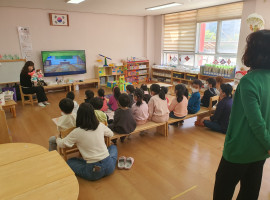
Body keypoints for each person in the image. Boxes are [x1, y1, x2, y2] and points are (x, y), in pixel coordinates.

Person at [213, 30, 270, 200]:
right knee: (250, 189)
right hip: (261, 150)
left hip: (240, 149)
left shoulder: (249, 80)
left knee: (223, 189)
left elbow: (256, 122)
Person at [56, 103, 117, 181]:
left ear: (79, 116)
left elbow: (62, 144)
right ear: (93, 114)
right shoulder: (99, 125)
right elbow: (111, 134)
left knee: (70, 161)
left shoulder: (77, 132)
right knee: (113, 147)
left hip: (94, 172)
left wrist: (57, 138)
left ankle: (88, 165)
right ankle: (106, 163)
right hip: (109, 167)